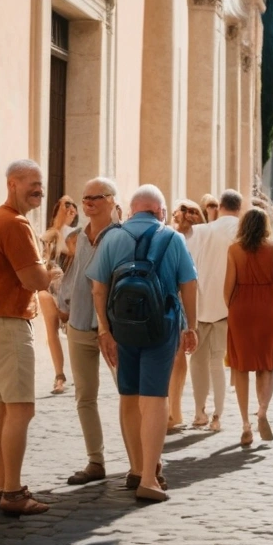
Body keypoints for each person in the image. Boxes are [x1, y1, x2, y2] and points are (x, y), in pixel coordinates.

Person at [88, 185, 198, 502]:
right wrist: (190, 325)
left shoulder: (112, 237)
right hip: (161, 328)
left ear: (133, 210)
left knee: (129, 396)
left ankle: (136, 468)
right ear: (160, 211)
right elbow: (188, 286)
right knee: (154, 397)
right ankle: (150, 477)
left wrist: (105, 331)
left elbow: (98, 289)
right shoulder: (173, 238)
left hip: (121, 328)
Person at [0, 160, 63, 515]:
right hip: (7, 325)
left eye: (41, 185)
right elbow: (34, 280)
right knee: (20, 409)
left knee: (0, 406)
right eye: (33, 184)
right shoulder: (14, 224)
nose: (40, 190)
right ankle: (13, 492)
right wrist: (51, 272)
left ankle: (1, 486)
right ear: (12, 182)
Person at [56, 178, 120, 484]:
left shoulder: (121, 236)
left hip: (115, 329)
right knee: (85, 397)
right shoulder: (81, 237)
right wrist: (63, 303)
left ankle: (145, 464)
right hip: (80, 324)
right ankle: (96, 461)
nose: (88, 202)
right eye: (85, 198)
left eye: (95, 197)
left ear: (111, 200)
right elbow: (75, 275)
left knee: (130, 394)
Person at [224, 208, 273, 448]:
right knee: (266, 364)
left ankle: (245, 424)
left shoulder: (234, 249)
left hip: (241, 307)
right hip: (268, 307)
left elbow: (228, 287)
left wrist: (233, 310)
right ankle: (262, 410)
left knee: (241, 367)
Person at [187, 189, 242, 431]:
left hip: (198, 304)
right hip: (228, 305)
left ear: (219, 207)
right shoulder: (242, 231)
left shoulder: (200, 231)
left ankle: (200, 411)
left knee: (198, 361)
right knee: (217, 361)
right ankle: (218, 415)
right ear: (239, 208)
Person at [168, 199, 205, 430]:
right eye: (181, 211)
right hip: (175, 298)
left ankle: (176, 410)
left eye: (191, 211)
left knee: (180, 357)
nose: (184, 215)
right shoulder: (170, 237)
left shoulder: (200, 237)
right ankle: (173, 410)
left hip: (191, 298)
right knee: (175, 358)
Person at [39, 195, 79, 394]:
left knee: (73, 331)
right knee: (51, 330)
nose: (69, 207)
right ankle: (59, 376)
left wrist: (61, 229)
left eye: (72, 205)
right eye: (65, 204)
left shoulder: (73, 234)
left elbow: (71, 253)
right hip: (47, 286)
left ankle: (79, 373)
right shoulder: (48, 234)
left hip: (67, 288)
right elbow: (41, 257)